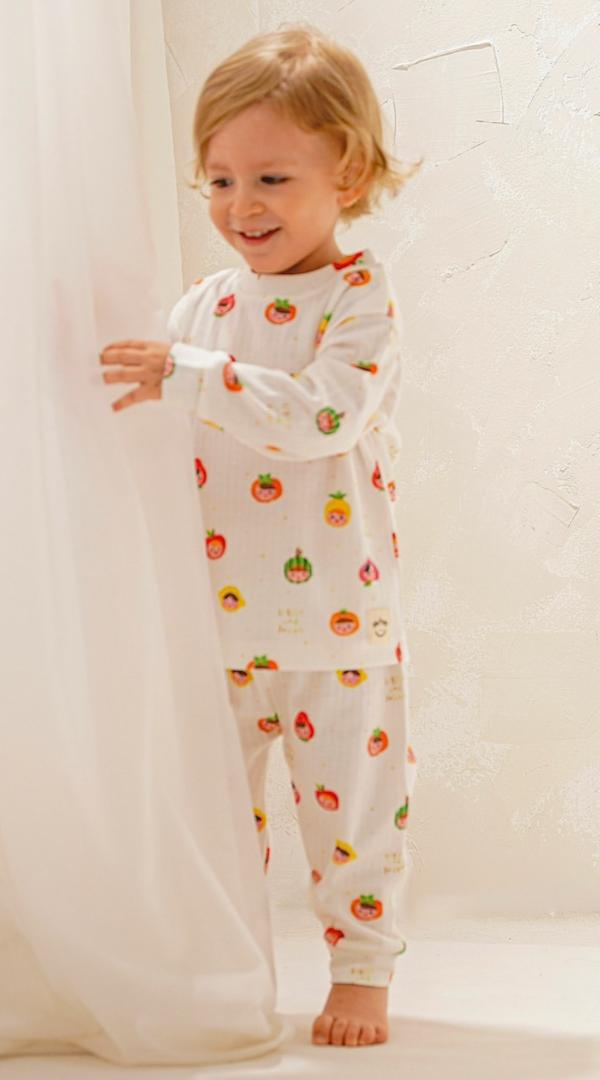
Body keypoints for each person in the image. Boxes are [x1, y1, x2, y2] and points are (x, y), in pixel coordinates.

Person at [100, 24, 421, 1049]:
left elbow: (323, 415)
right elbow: (146, 405)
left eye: (273, 178)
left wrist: (190, 375)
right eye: (221, 180)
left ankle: (362, 971)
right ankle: (231, 970)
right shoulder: (203, 306)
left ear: (349, 173)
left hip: (337, 624)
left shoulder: (358, 298)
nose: (243, 206)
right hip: (218, 628)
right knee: (214, 826)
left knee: (353, 819)